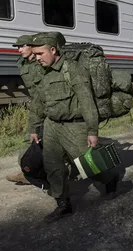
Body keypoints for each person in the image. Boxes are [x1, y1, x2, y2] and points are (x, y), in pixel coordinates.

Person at [28, 32, 119, 223]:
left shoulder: (73, 69)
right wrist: (33, 128)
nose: (37, 58)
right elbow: (37, 103)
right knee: (53, 167)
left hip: (74, 127)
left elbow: (87, 102)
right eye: (35, 54)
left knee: (90, 164)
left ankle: (111, 179)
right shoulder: (42, 74)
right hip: (51, 126)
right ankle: (63, 205)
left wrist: (92, 131)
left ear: (53, 50)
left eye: (40, 53)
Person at [5, 34, 44, 185]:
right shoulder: (23, 62)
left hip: (46, 106)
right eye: (17, 47)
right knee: (34, 138)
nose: (19, 50)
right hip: (37, 104)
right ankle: (28, 171)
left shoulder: (41, 63)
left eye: (22, 46)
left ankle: (28, 172)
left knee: (33, 138)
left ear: (32, 46)